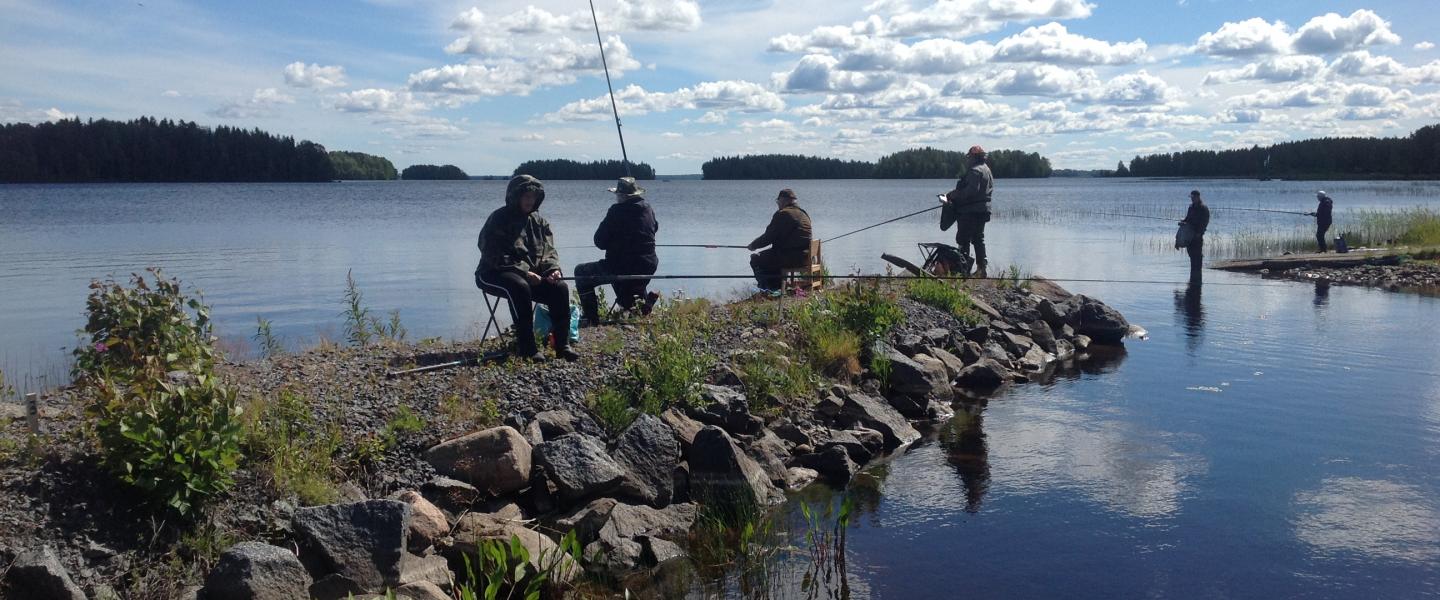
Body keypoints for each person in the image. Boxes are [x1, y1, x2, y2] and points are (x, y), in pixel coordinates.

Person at [475, 174, 578, 362]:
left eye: (533, 197)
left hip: (531, 276)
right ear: (516, 196)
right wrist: (524, 271)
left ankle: (562, 346)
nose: (530, 200)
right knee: (519, 286)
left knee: (560, 287)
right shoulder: (498, 218)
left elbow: (549, 251)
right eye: (526, 196)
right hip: (492, 273)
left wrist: (551, 270)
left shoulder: (539, 222)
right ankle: (527, 348)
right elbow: (491, 252)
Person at [575, 177, 660, 326]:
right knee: (627, 291)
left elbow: (599, 241)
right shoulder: (648, 208)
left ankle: (590, 318)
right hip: (649, 264)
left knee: (581, 272)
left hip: (623, 266)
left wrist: (613, 242)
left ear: (621, 196)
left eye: (617, 195)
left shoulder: (616, 211)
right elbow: (655, 228)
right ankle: (642, 306)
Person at [941, 145, 994, 278]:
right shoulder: (987, 169)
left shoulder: (975, 171)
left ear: (974, 157)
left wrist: (953, 195)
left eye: (969, 157)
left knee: (963, 240)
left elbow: (971, 191)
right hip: (983, 211)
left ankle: (962, 270)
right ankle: (981, 269)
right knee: (978, 239)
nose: (968, 160)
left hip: (970, 212)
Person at [747, 188, 813, 292]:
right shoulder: (803, 213)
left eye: (778, 202)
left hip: (791, 258)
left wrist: (753, 245)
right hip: (805, 257)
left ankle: (768, 290)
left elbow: (768, 237)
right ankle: (778, 286)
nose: (778, 204)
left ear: (784, 201)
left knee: (756, 259)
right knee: (772, 257)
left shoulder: (783, 214)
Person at [1180, 190, 1210, 284]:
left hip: (1197, 235)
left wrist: (1200, 233)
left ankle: (1197, 277)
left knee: (1197, 255)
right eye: (1191, 197)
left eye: (1193, 197)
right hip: (1190, 235)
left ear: (1198, 197)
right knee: (1191, 254)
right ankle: (1193, 276)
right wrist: (1183, 222)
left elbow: (1205, 222)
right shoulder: (1191, 207)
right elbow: (1187, 218)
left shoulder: (1203, 208)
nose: (1192, 199)